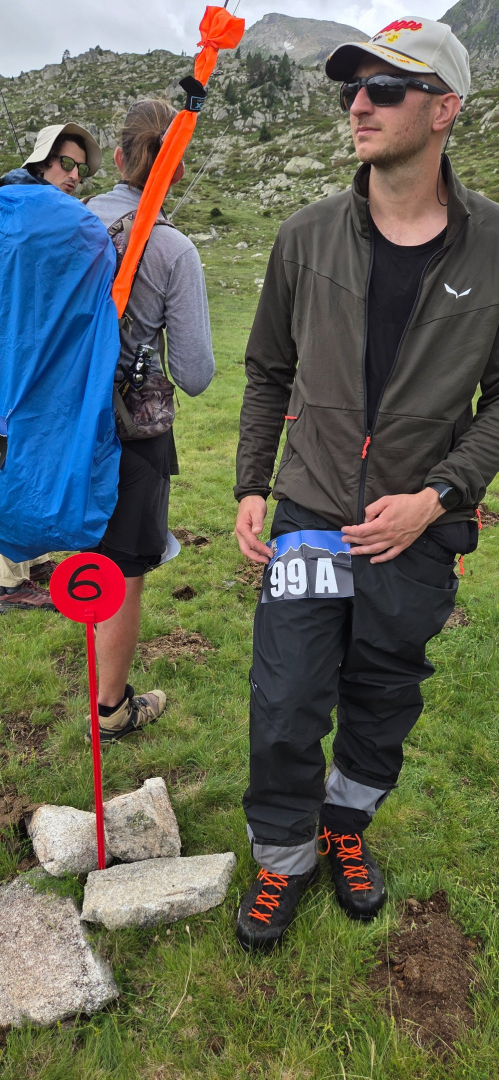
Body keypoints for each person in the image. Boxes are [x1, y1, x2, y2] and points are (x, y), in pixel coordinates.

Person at [233, 16, 499, 951]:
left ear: (443, 109)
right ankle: (283, 855)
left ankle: (344, 827)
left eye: (384, 88)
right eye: (352, 87)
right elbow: (267, 370)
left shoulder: (494, 247)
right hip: (308, 510)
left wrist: (439, 496)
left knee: (383, 698)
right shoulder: (305, 235)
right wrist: (251, 484)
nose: (358, 104)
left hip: (416, 527)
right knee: (285, 701)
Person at [85, 98, 214, 745]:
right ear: (178, 168)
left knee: (88, 556)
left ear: (116, 157)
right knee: (120, 569)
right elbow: (195, 373)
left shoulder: (69, 224)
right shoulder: (172, 248)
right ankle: (110, 707)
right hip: (132, 435)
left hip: (61, 428)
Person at [0, 122, 102, 612]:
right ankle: (6, 581)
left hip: (24, 354)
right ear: (41, 162)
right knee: (10, 453)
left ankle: (22, 559)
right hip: (12, 357)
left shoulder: (38, 211)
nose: (74, 175)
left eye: (80, 169)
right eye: (66, 163)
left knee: (22, 451)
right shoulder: (18, 209)